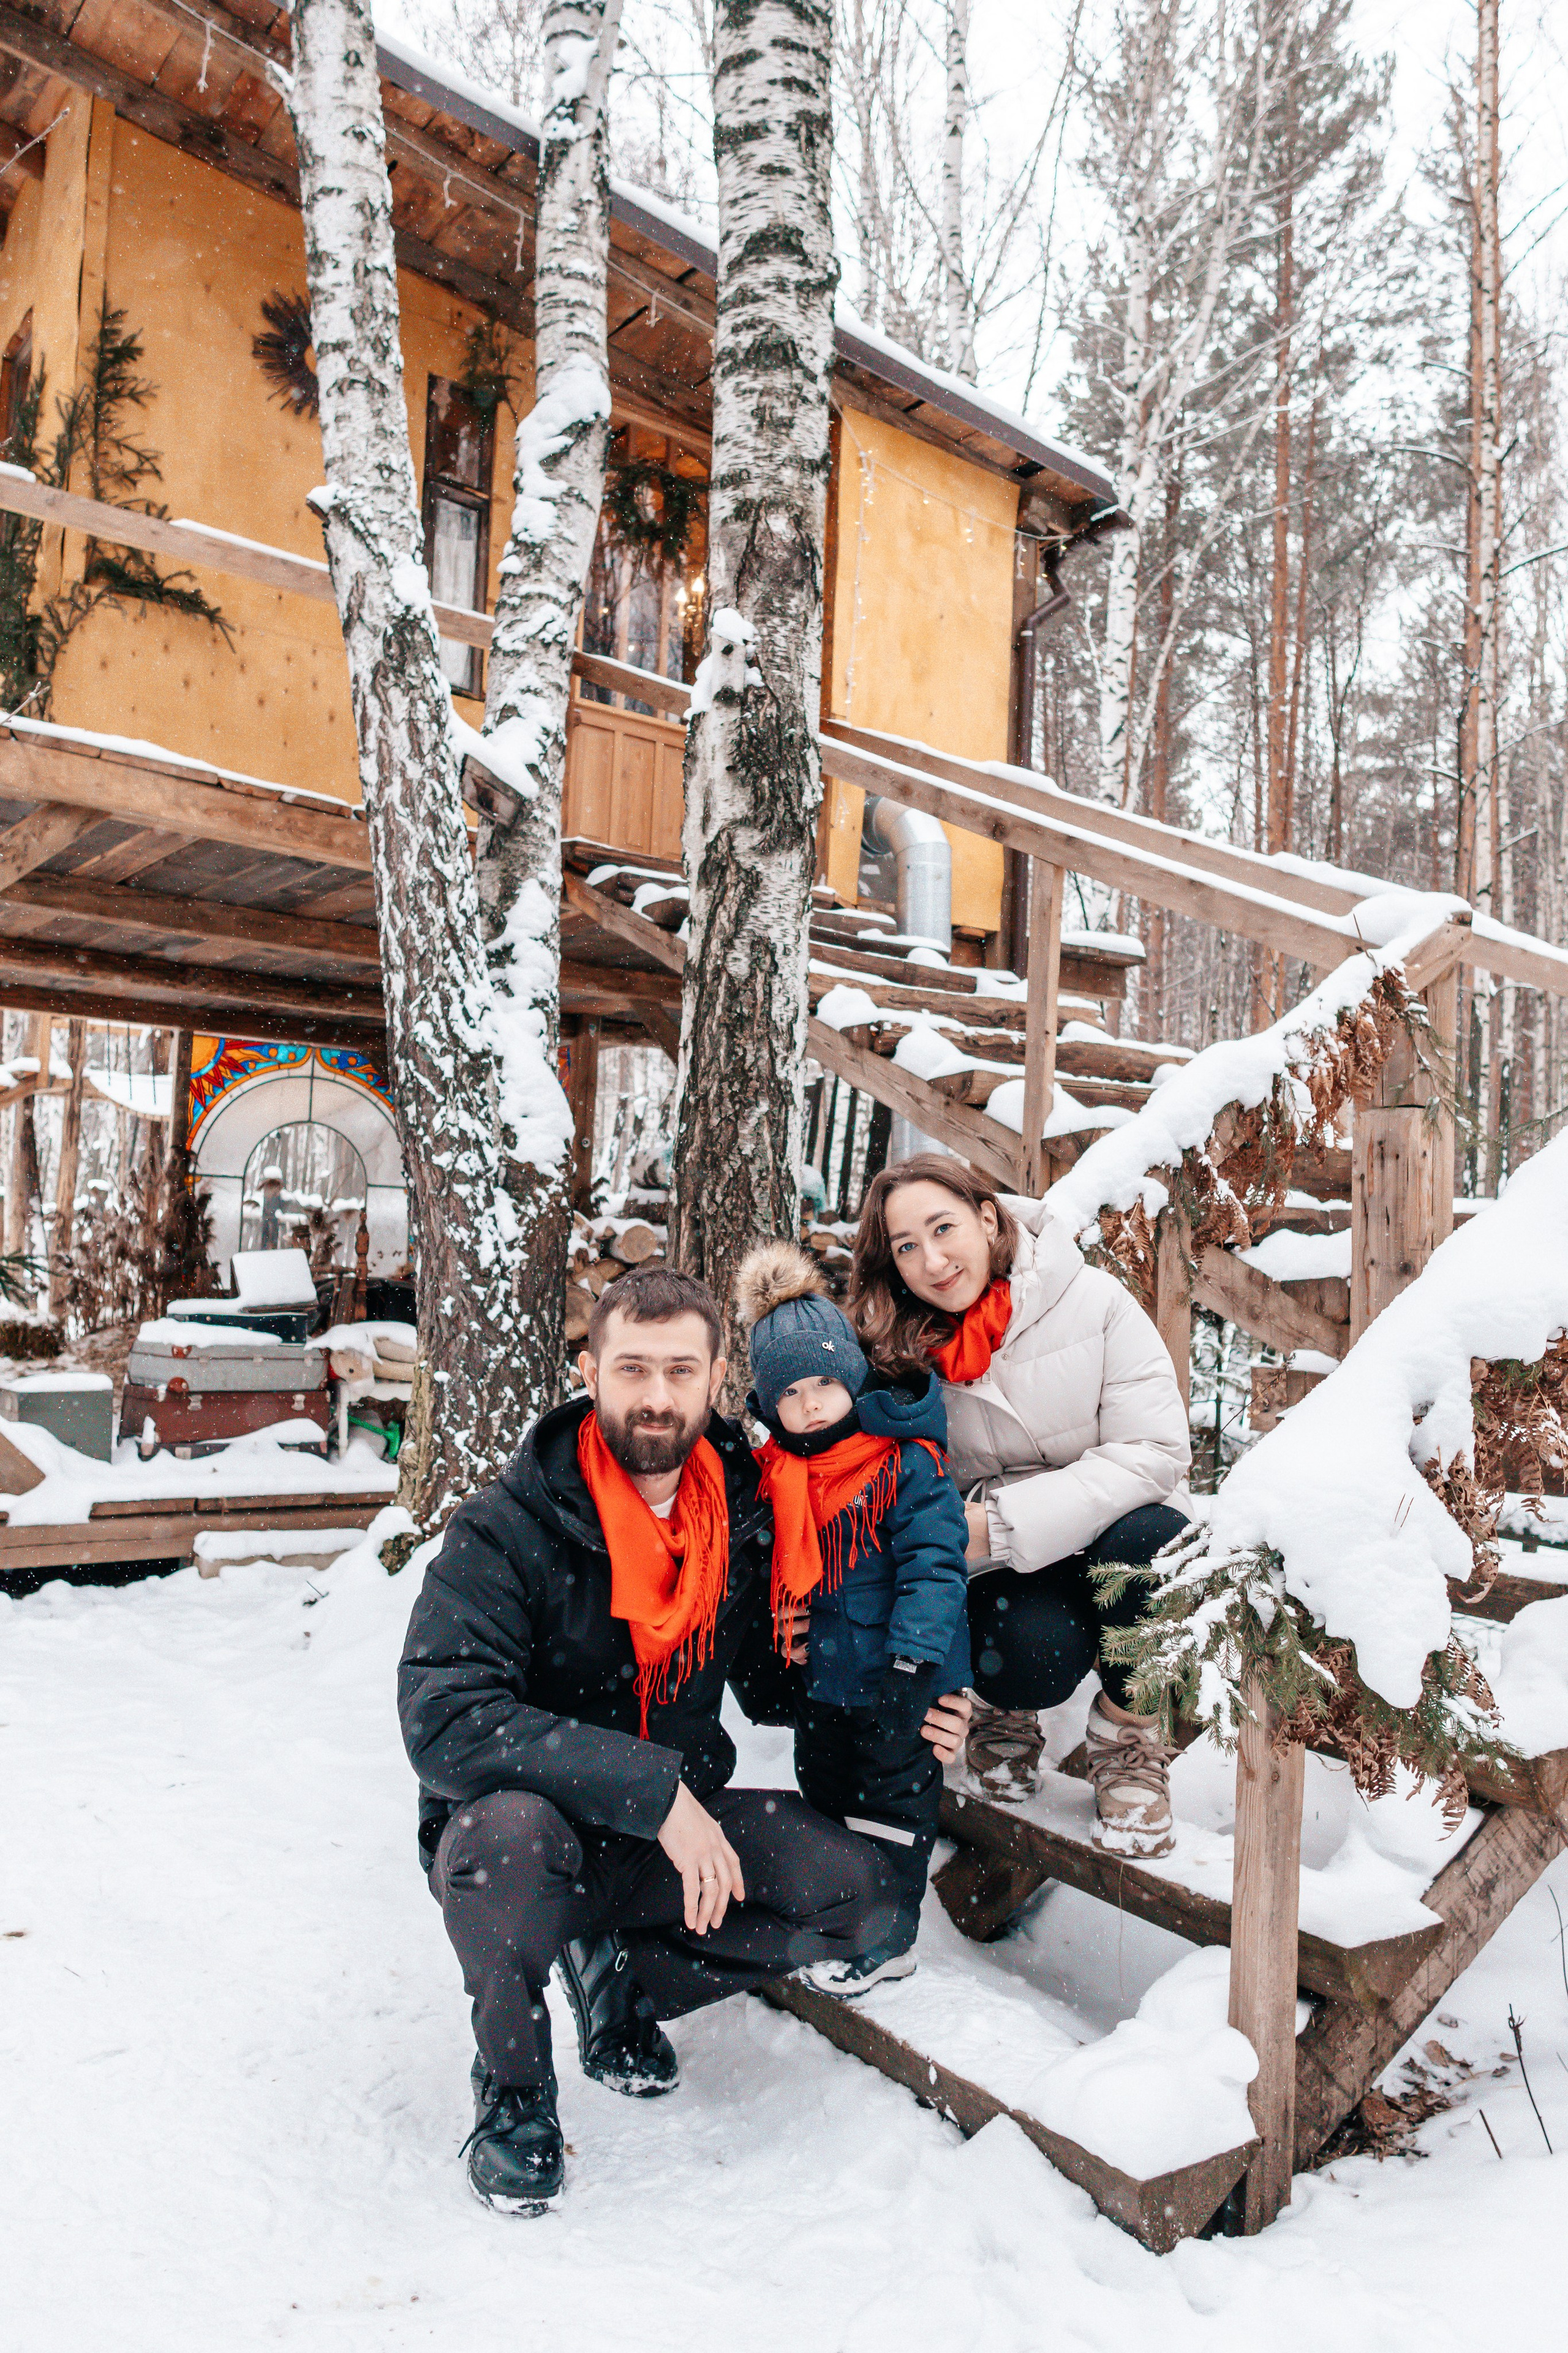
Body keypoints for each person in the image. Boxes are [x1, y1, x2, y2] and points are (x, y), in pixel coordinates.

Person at [397, 1264, 965, 2218]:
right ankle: (515, 2096)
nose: (656, 1397)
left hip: (670, 1840)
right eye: (632, 1369)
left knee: (862, 1899)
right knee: (503, 1848)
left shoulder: (741, 1512)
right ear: (589, 1369)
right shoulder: (507, 1527)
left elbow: (776, 1686)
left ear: (714, 1379)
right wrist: (653, 1793)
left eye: (679, 1371)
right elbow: (446, 1717)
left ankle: (619, 1968)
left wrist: (916, 1697)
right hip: (538, 1834)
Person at [849, 1157, 1192, 1856]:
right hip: (1010, 1563)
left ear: (987, 1215)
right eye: (906, 1246)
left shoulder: (1093, 1301)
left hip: (1108, 1529)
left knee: (1154, 1545)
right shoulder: (899, 1350)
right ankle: (1004, 1712)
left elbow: (1154, 1451)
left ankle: (1128, 1736)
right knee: (1023, 1654)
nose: (932, 1260)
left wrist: (998, 1523)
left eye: (943, 1228)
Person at [735, 1240, 971, 1993]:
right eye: (789, 1392)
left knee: (892, 1809)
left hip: (896, 1679)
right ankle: (839, 1913)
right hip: (825, 1684)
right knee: (828, 1797)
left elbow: (934, 1570)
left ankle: (891, 1932)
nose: (808, 1404)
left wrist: (913, 1666)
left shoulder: (901, 1463)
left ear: (849, 1373)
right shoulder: (780, 1479)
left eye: (821, 1383)